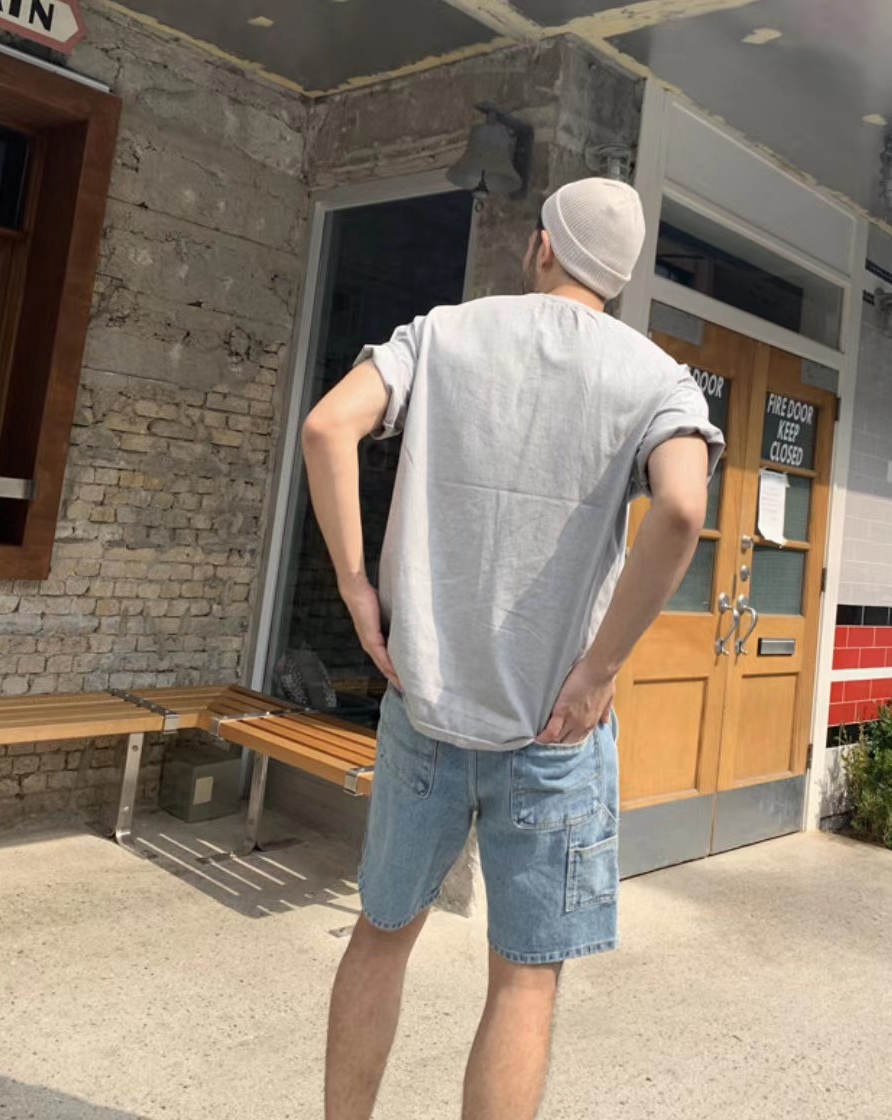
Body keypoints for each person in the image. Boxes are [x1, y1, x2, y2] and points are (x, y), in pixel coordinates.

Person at [302, 177, 725, 1120]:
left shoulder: (441, 335)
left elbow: (328, 425)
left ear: (543, 247)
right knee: (524, 981)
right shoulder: (657, 378)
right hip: (555, 732)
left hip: (425, 706)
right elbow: (682, 508)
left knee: (380, 936)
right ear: (620, 278)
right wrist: (600, 669)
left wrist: (356, 586)